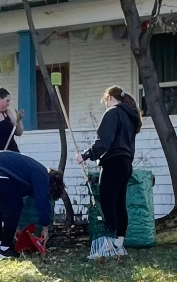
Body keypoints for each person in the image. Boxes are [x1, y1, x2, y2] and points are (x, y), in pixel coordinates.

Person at [76, 86, 140, 256]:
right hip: (126, 163)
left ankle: (108, 246)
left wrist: (86, 155)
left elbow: (104, 141)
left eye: (105, 100)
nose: (105, 104)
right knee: (119, 204)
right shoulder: (129, 117)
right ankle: (119, 244)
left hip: (113, 162)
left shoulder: (113, 113)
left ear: (110, 97)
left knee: (107, 203)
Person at [0, 150, 64, 259]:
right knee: (16, 205)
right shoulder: (42, 175)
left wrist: (13, 226)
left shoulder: (28, 173)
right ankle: (5, 249)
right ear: (52, 184)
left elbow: (9, 201)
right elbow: (42, 201)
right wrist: (45, 228)